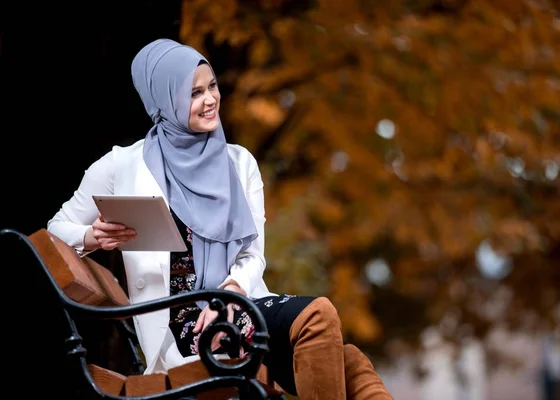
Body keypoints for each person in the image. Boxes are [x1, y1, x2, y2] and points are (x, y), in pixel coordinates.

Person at [47, 38, 392, 400]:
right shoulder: (123, 166)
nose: (210, 99)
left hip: (237, 305)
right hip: (183, 324)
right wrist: (93, 236)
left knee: (348, 358)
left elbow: (252, 255)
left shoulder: (240, 163)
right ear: (164, 101)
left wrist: (229, 294)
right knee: (318, 316)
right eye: (194, 93)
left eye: (212, 86)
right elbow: (57, 229)